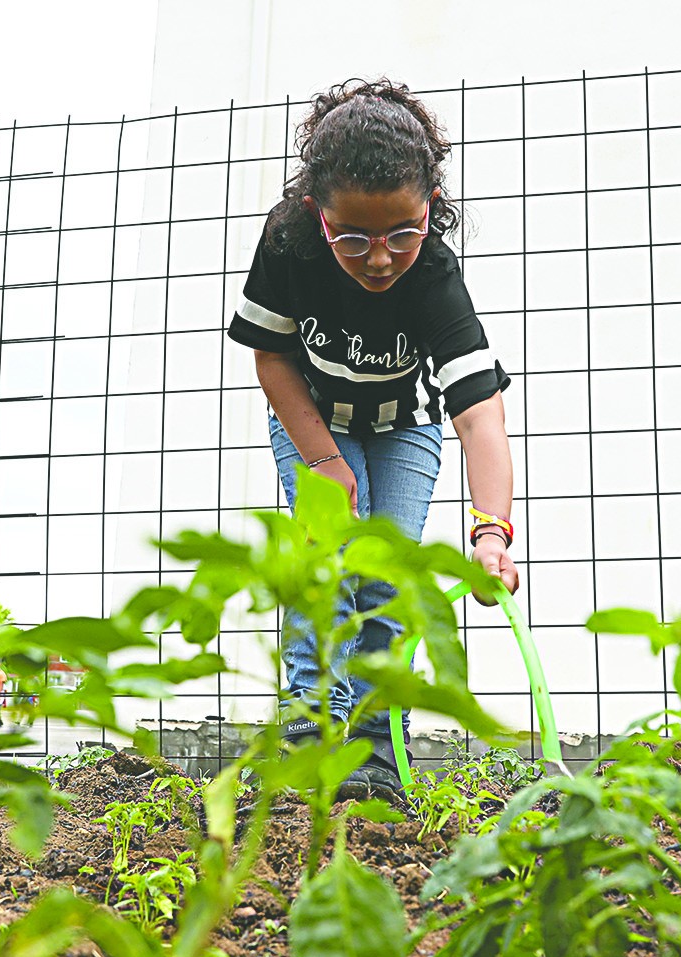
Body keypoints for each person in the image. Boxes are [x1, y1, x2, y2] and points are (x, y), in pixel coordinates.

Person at [226, 78, 521, 797]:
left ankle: (376, 742)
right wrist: (322, 460)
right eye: (353, 237)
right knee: (324, 562)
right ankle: (307, 730)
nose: (381, 257)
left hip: (403, 428)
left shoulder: (436, 281)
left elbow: (478, 413)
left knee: (385, 574)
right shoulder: (287, 247)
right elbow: (271, 356)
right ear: (314, 216)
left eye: (402, 234)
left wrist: (490, 535)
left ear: (430, 210)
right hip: (312, 419)